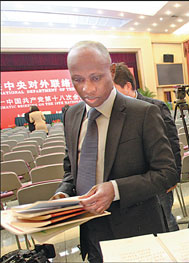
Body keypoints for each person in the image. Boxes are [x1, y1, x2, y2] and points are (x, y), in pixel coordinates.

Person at [53, 41, 178, 262]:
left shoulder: (143, 113)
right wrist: (64, 193)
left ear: (111, 71)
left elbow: (167, 173)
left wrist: (116, 189)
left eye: (96, 78)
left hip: (136, 231)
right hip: (91, 232)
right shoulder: (71, 116)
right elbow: (72, 170)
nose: (87, 89)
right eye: (78, 80)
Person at [113, 62, 180, 232]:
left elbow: (172, 143)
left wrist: (174, 176)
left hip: (158, 179)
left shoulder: (155, 107)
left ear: (127, 86)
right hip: (133, 185)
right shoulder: (115, 113)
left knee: (165, 221)